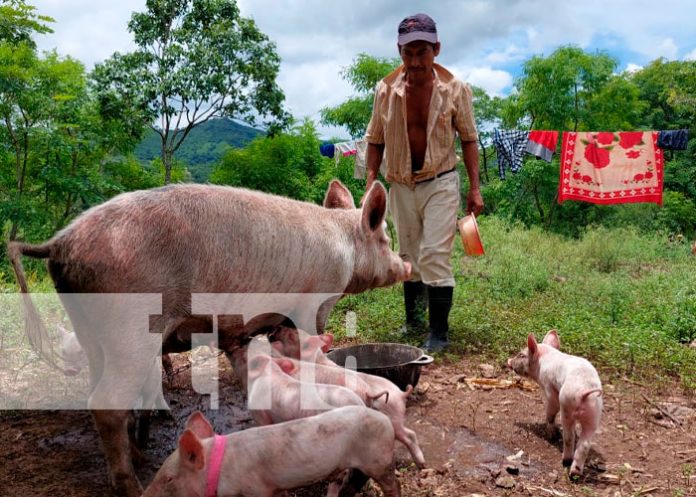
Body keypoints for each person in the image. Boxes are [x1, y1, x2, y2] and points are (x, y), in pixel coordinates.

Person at [364, 13, 484, 353]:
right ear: (399, 52)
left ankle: (439, 332)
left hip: (441, 179)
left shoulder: (456, 90)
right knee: (408, 255)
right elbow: (375, 139)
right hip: (401, 183)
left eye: (422, 52)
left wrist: (475, 188)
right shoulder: (385, 91)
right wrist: (372, 184)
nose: (415, 61)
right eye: (408, 53)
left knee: (433, 254)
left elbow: (469, 139)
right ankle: (414, 321)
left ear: (436, 49)